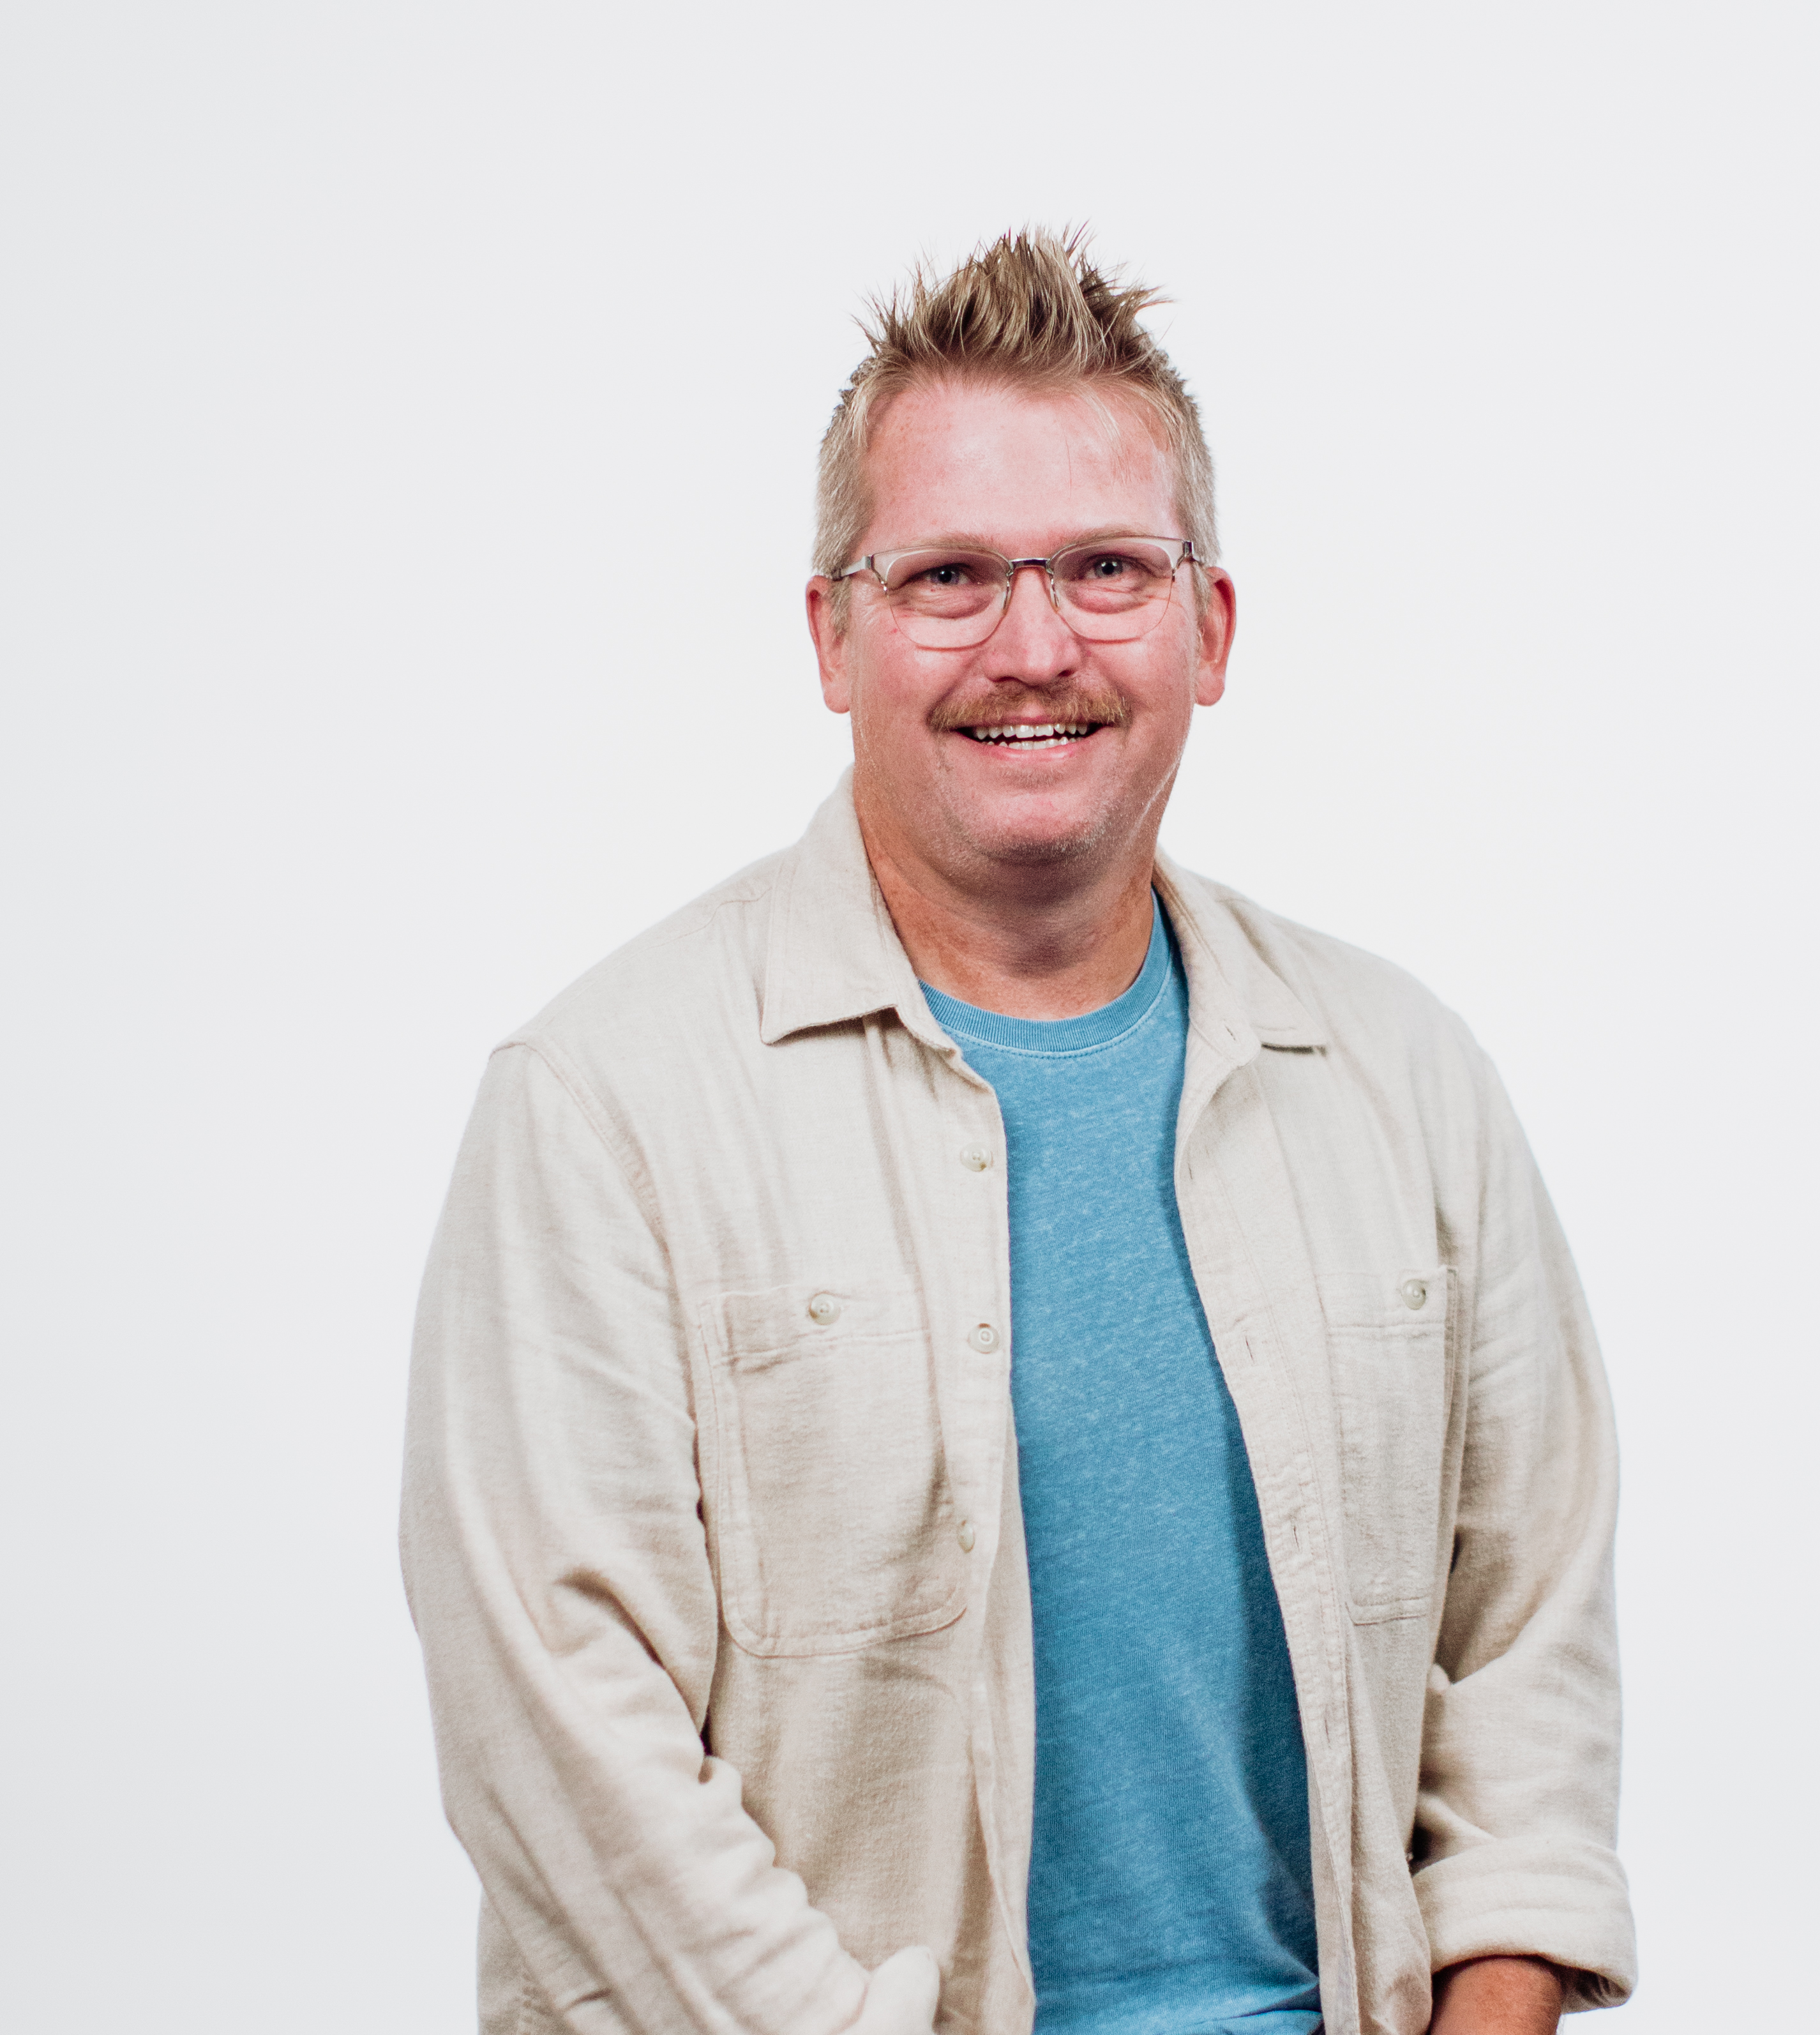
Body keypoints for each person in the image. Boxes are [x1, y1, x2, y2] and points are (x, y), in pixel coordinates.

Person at [401, 230, 1636, 2035]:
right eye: (949, 576)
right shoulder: (604, 1105)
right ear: (833, 637)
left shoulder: (1402, 1075)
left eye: (1107, 569)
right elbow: (560, 1750)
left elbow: (1529, 1640)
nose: (1033, 645)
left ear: (1211, 629)